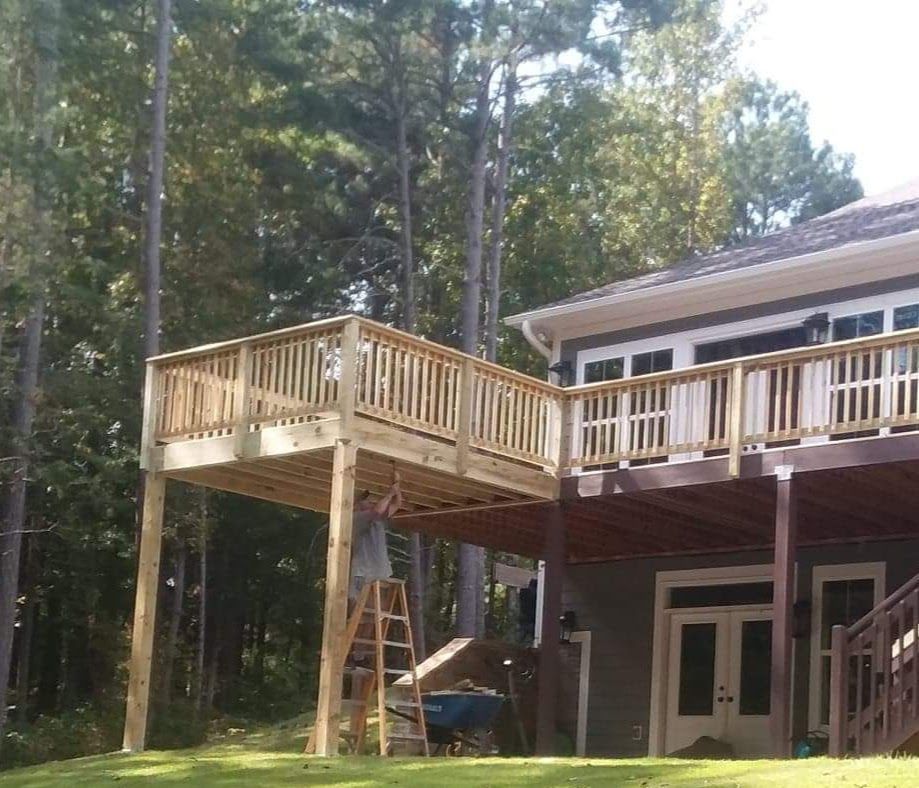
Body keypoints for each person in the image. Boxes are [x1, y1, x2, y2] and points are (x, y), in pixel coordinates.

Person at [348, 477, 403, 604]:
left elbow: (397, 505)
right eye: (366, 500)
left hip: (377, 573)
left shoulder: (377, 518)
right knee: (360, 606)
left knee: (375, 608)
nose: (370, 501)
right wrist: (390, 494)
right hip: (363, 573)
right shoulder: (357, 518)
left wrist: (397, 488)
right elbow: (377, 510)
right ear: (357, 504)